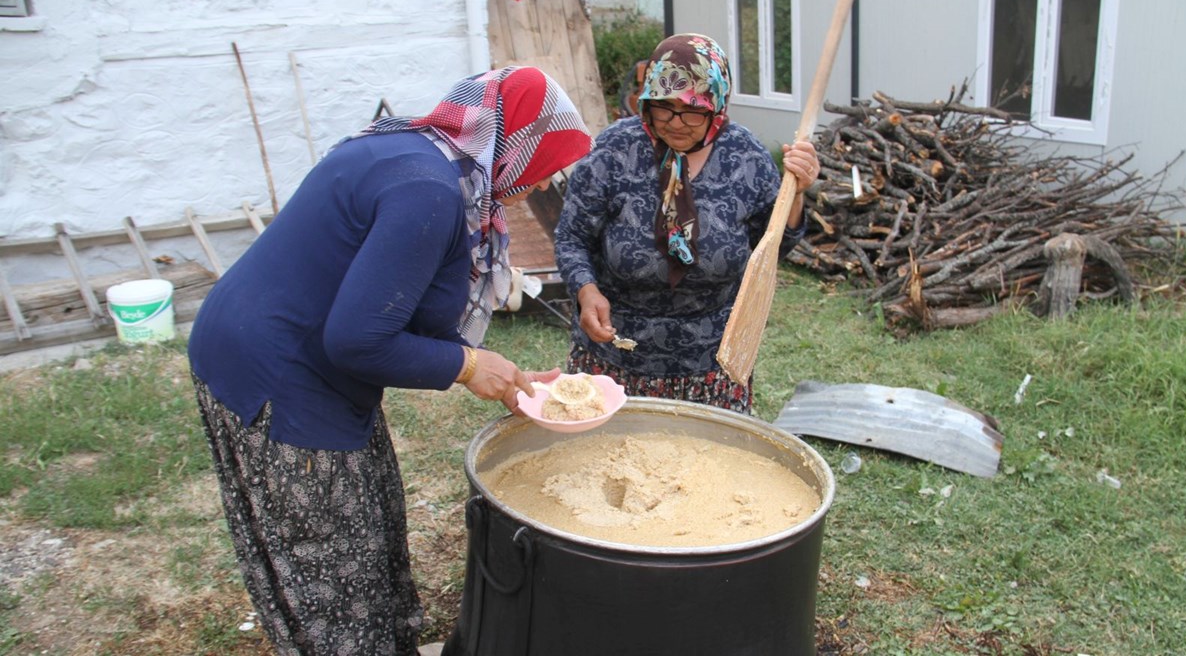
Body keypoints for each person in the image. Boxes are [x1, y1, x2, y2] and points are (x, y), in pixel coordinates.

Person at [187, 66, 592, 656]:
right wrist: (468, 366)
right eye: (541, 165)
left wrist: (498, 374)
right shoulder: (429, 192)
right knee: (331, 561)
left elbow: (384, 304)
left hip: (267, 342)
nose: (537, 183)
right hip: (282, 373)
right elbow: (356, 340)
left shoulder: (416, 151)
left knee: (369, 522)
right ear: (516, 143)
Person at [554, 33, 821, 415]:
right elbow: (571, 237)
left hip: (713, 366)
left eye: (693, 111)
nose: (676, 123)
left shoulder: (745, 157)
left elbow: (774, 245)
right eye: (663, 107)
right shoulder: (615, 151)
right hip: (614, 357)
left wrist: (796, 192)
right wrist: (585, 290)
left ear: (718, 106)